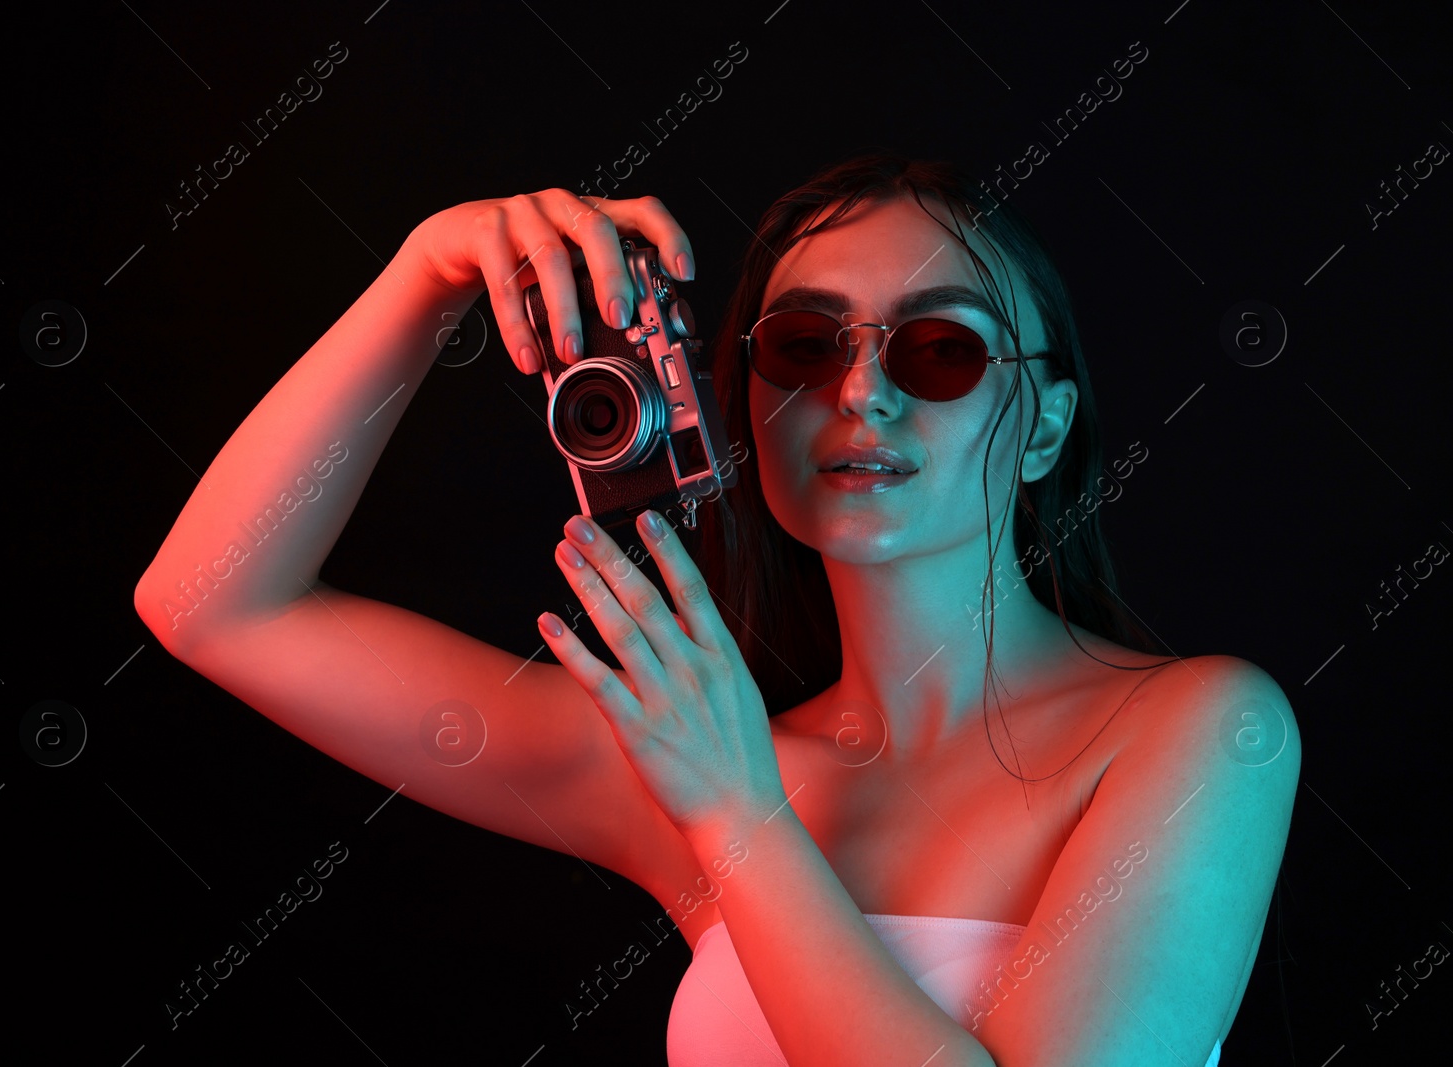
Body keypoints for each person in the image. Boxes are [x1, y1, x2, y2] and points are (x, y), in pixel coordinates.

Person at [134, 152, 1299, 1066]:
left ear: (1042, 425)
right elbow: (214, 602)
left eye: (939, 349)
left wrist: (742, 820)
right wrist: (425, 276)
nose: (859, 391)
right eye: (803, 344)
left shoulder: (1197, 731)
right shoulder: (694, 757)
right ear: (740, 406)